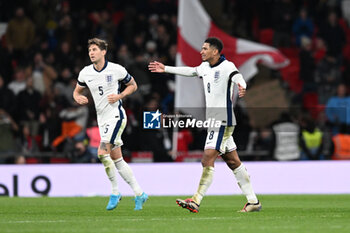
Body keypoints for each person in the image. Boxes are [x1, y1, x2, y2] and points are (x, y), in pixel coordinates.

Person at [148, 37, 261, 213]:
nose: (201, 51)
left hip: (222, 121)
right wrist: (166, 69)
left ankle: (196, 200)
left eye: (205, 48)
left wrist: (242, 85)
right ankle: (253, 202)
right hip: (215, 121)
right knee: (233, 161)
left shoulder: (227, 66)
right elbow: (191, 71)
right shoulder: (204, 68)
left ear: (215, 51)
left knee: (207, 157)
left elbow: (238, 77)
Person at [73, 38, 147, 211]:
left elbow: (133, 85)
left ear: (103, 52)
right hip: (102, 119)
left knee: (101, 152)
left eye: (94, 49)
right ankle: (139, 193)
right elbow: (76, 91)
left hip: (116, 116)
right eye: (89, 50)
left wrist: (120, 96)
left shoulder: (116, 69)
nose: (91, 53)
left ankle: (115, 192)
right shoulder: (85, 73)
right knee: (117, 159)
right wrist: (78, 97)